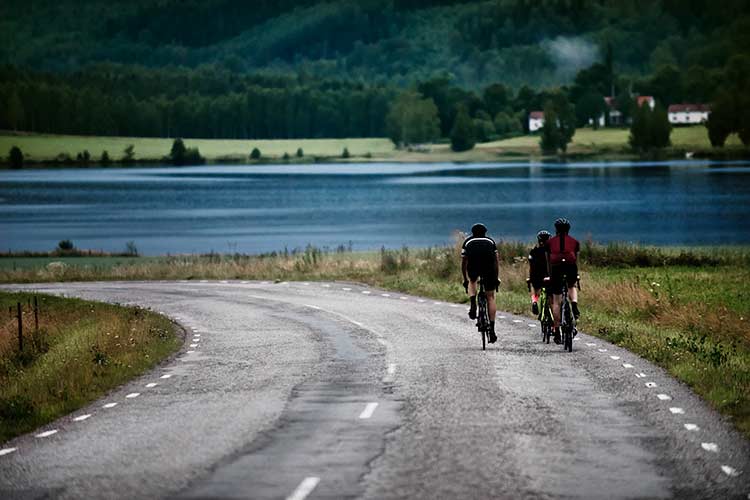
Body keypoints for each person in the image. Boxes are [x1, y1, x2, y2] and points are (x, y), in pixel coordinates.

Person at [461, 223, 500, 343]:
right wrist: (496, 277)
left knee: (473, 281)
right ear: (485, 232)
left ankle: (473, 303)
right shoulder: (491, 242)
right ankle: (492, 329)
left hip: (474, 267)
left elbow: (464, 262)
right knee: (490, 297)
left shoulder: (467, 242)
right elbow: (496, 261)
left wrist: (465, 278)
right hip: (489, 269)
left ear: (473, 232)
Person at [545, 218, 580, 343]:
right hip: (570, 266)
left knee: (557, 300)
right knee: (572, 286)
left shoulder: (549, 242)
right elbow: (576, 259)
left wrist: (550, 275)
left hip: (556, 269)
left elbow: (548, 260)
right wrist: (576, 274)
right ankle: (574, 303)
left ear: (556, 229)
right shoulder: (575, 242)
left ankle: (558, 331)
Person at [528, 230, 551, 315]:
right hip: (547, 275)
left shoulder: (533, 251)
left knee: (535, 291)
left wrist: (530, 277)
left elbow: (531, 265)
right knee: (550, 294)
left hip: (536, 275)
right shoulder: (550, 251)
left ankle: (534, 302)